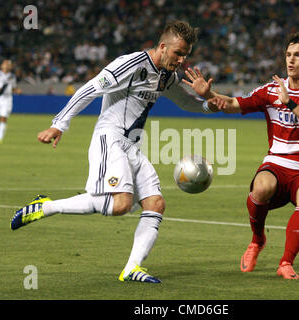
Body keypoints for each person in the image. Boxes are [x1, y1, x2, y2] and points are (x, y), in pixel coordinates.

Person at [11, 20, 215, 283]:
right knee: (121, 205)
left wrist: (209, 102)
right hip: (111, 138)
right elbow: (89, 89)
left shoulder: (167, 76)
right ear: (163, 46)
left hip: (132, 146)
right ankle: (46, 207)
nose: (181, 60)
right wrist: (59, 124)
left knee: (156, 204)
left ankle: (132, 268)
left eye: (185, 55)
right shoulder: (131, 64)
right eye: (177, 53)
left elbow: (188, 102)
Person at [184, 32, 299, 279]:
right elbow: (235, 104)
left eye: (298, 55)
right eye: (288, 54)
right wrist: (209, 95)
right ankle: (257, 240)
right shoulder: (270, 90)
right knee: (261, 187)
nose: (291, 60)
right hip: (277, 160)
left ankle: (286, 262)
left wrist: (289, 104)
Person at [0, 60, 22, 144]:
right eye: (6, 64)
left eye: (9, 65)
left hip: (7, 99)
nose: (7, 66)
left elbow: (13, 87)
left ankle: (0, 139)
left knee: (4, 117)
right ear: (2, 65)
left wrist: (17, 91)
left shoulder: (12, 76)